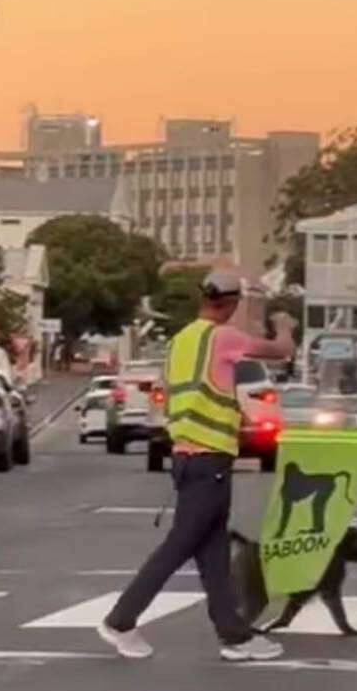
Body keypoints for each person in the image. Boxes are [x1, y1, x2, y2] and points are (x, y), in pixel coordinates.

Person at [98, 269, 296, 663]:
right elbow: (280, 351)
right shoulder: (222, 337)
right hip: (209, 460)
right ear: (232, 303)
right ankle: (121, 620)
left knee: (213, 553)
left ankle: (233, 635)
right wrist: (284, 325)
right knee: (180, 544)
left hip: (189, 456)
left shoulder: (180, 342)